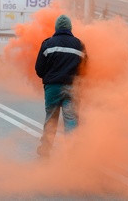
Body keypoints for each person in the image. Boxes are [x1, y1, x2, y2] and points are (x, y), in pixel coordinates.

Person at [35, 14, 86, 158]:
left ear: (56, 28)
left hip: (53, 88)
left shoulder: (47, 44)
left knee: (51, 119)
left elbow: (39, 69)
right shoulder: (79, 45)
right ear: (70, 28)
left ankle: (45, 149)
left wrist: (49, 78)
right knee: (71, 120)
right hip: (72, 87)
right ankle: (72, 153)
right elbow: (85, 68)